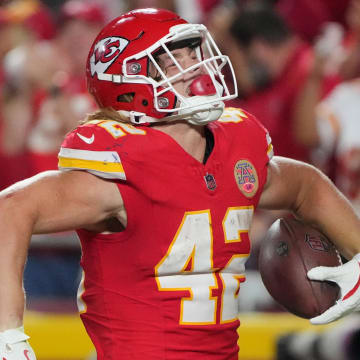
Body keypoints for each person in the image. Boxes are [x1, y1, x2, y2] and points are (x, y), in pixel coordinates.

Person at [0, 8, 360, 360]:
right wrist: (8, 332)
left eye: (194, 53)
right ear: (129, 82)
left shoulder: (236, 147)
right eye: (174, 61)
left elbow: (305, 185)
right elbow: (12, 207)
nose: (197, 67)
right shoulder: (120, 170)